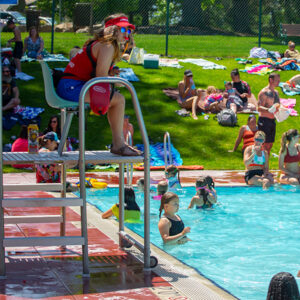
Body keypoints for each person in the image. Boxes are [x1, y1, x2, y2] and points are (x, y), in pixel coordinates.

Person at [56, 13, 141, 157]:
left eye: (128, 31)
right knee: (119, 100)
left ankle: (118, 143)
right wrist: (115, 80)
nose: (126, 34)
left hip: (70, 85)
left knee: (117, 99)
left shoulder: (101, 44)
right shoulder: (108, 46)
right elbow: (100, 75)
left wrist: (111, 76)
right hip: (71, 87)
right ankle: (118, 144)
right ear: (113, 30)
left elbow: (97, 72)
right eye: (123, 30)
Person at [257, 73, 281, 154]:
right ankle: (260, 163)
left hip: (272, 121)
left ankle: (266, 163)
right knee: (264, 144)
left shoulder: (276, 92)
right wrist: (269, 110)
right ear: (271, 80)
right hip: (264, 121)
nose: (279, 82)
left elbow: (278, 105)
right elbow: (259, 108)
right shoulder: (264, 92)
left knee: (270, 144)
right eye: (277, 80)